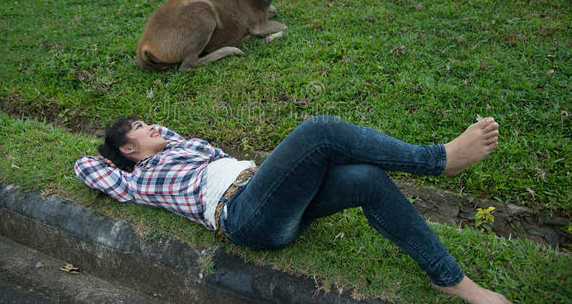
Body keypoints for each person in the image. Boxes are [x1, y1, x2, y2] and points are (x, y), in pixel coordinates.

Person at [74, 115, 510, 304]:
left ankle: (452, 281)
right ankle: (439, 160)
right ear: (129, 150)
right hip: (243, 217)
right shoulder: (137, 181)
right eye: (139, 129)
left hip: (271, 199)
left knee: (367, 179)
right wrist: (118, 152)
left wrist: (148, 135)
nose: (153, 127)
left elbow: (167, 134)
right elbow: (86, 166)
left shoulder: (182, 149)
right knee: (320, 131)